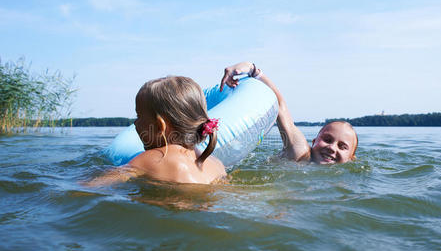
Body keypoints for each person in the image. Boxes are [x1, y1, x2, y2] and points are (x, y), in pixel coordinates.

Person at [87, 76, 226, 186]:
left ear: (160, 126)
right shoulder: (215, 163)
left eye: (139, 116)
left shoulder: (153, 158)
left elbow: (94, 185)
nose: (135, 123)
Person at [220, 62, 358, 164]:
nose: (332, 148)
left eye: (342, 147)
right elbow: (279, 106)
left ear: (352, 158)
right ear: (314, 142)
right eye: (327, 140)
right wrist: (251, 69)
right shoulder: (300, 152)